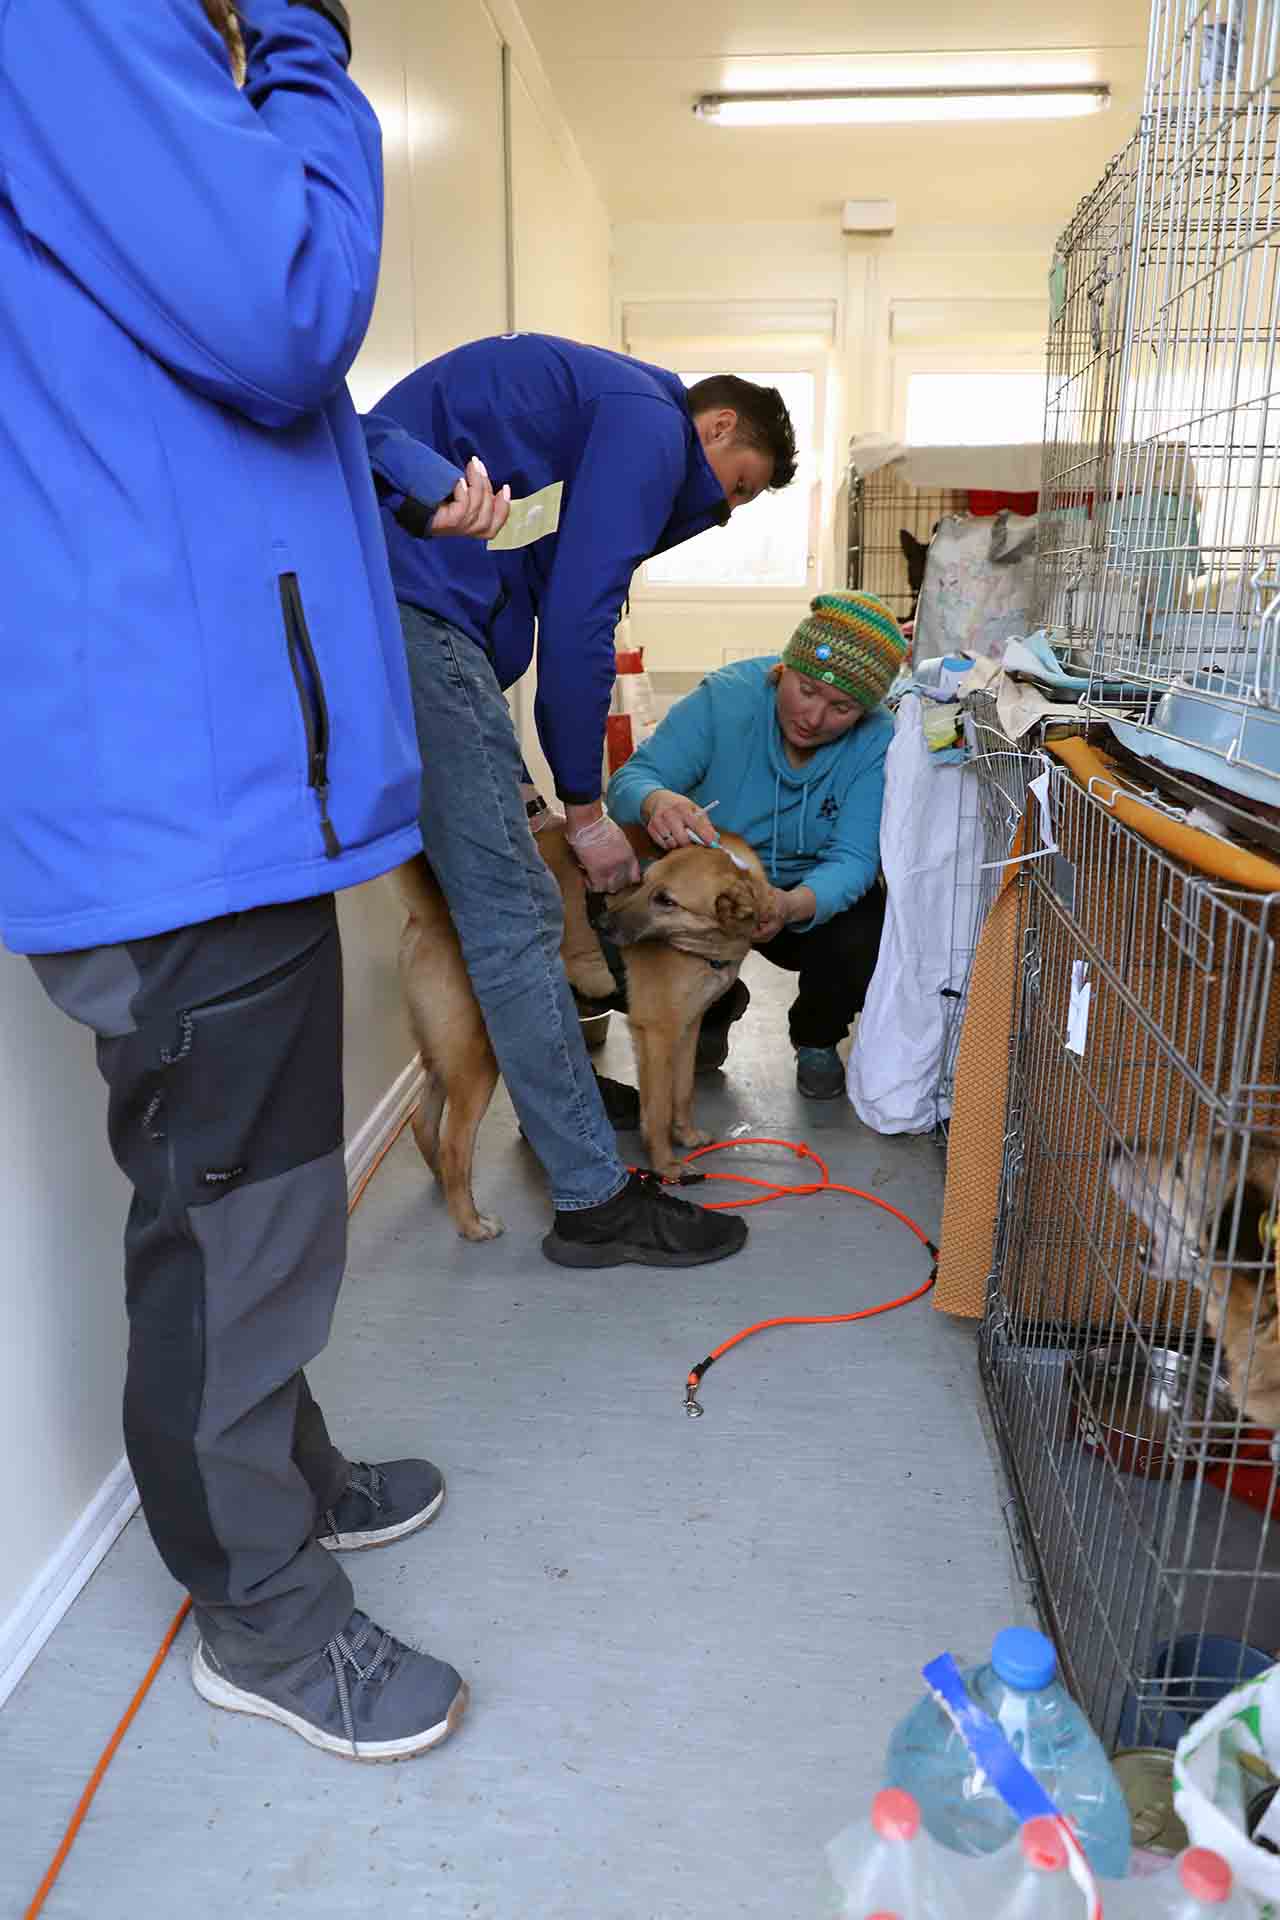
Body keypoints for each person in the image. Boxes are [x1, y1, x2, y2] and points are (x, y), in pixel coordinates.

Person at [0, 0, 512, 1764]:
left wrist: (373, 460)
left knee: (255, 1202)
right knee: (233, 1225)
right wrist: (304, 46)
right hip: (171, 780)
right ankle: (266, 1621)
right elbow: (280, 308)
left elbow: (170, 370)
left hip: (209, 773)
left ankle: (282, 1475)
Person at [369, 339, 798, 1266]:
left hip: (419, 619)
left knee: (513, 902)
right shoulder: (645, 421)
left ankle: (557, 1095)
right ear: (715, 427)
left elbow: (538, 582)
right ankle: (593, 1200)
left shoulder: (590, 414)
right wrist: (585, 807)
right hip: (416, 618)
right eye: (737, 485)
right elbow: (580, 616)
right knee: (519, 912)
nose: (724, 513)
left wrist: (527, 777)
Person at [608, 591, 907, 1099]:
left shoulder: (877, 740)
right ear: (782, 670)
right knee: (608, 939)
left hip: (792, 899)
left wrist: (791, 905)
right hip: (706, 896)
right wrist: (657, 801)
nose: (813, 717)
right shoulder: (726, 700)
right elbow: (631, 780)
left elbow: (853, 859)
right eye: (806, 689)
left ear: (865, 711)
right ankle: (714, 1007)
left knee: (867, 922)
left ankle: (817, 1036)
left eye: (842, 707)